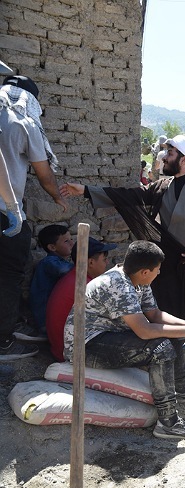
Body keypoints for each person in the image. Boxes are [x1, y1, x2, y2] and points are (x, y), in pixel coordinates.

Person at [60, 134, 185, 373]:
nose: (164, 159)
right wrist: (86, 190)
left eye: (170, 154)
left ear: (183, 160)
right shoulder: (162, 186)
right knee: (173, 306)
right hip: (173, 261)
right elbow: (131, 196)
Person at [63, 240, 185, 440]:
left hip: (109, 336)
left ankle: (182, 389)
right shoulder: (119, 285)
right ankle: (168, 423)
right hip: (86, 347)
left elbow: (154, 314)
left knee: (174, 334)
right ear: (145, 271)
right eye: (157, 270)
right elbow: (144, 330)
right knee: (161, 348)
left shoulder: (136, 279)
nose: (159, 273)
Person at [0, 75, 67, 361]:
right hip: (6, 214)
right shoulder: (23, 122)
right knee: (8, 276)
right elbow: (44, 174)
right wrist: (57, 197)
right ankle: (4, 341)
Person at [46, 236, 116, 362]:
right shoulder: (86, 286)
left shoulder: (75, 277)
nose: (107, 263)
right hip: (69, 352)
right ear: (90, 263)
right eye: (104, 259)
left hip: (59, 347)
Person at [27, 224, 74, 337]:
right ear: (52, 247)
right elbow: (65, 270)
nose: (72, 243)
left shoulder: (59, 261)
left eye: (71, 239)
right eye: (66, 241)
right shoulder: (49, 262)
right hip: (45, 320)